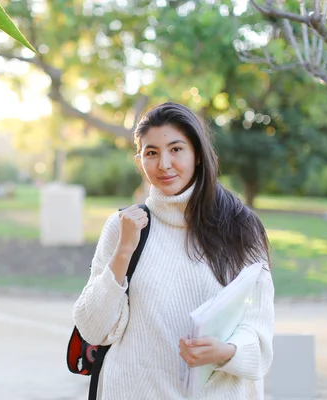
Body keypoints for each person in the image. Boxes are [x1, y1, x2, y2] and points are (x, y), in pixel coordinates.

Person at [72, 102, 274, 399]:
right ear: (140, 160)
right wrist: (123, 252)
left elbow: (259, 337)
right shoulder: (123, 226)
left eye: (176, 149)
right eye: (151, 152)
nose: (164, 164)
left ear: (198, 155)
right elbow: (93, 329)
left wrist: (225, 352)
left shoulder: (241, 228)